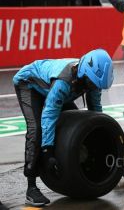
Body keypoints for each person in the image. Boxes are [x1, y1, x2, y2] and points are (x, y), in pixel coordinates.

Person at [13, 49, 114, 206]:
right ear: (85, 74)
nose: (94, 87)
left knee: (75, 127)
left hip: (55, 89)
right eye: (93, 83)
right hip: (29, 85)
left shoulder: (91, 80)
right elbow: (49, 115)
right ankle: (31, 188)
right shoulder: (64, 81)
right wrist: (47, 151)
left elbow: (95, 111)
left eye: (97, 85)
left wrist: (101, 135)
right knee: (37, 130)